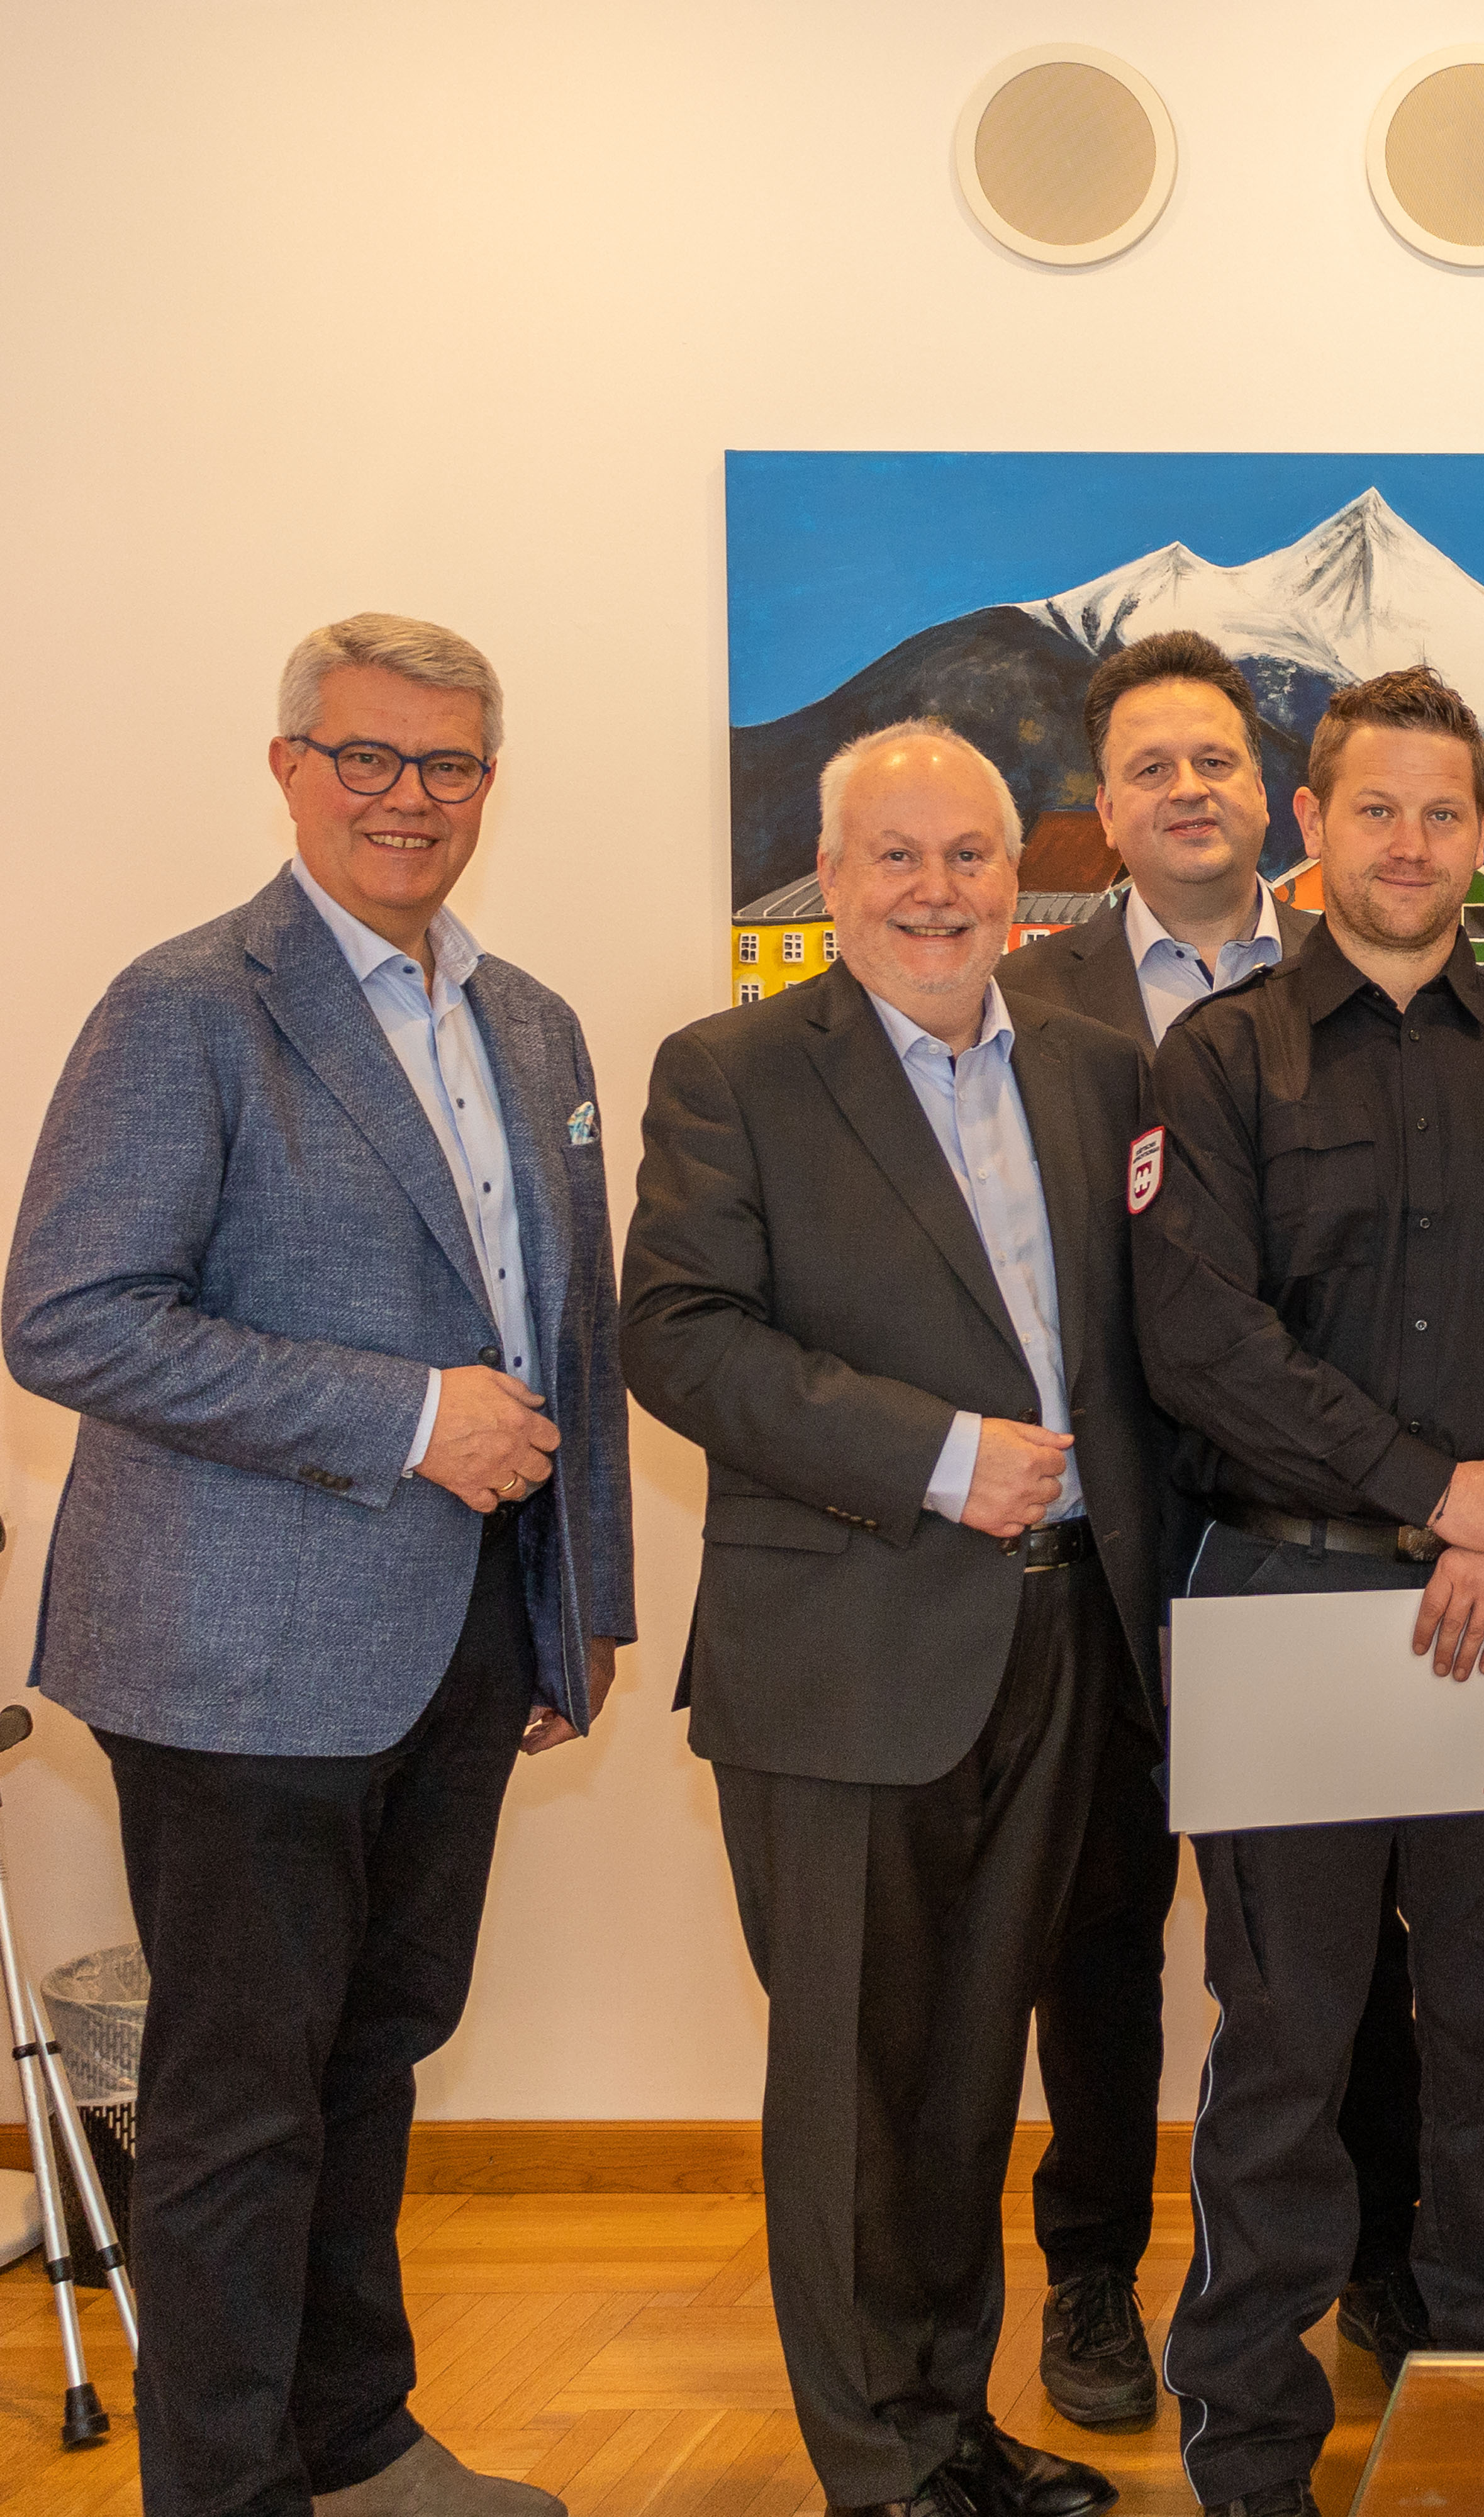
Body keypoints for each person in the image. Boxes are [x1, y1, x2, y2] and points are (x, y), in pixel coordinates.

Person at [3, 613, 633, 2517]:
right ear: (286, 764)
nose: (406, 796)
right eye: (366, 755)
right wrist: (397, 1417)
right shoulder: (189, 1001)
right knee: (235, 2111)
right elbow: (69, 1316)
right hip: (235, 1659)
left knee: (374, 2061)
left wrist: (567, 1610)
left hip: (451, 1642)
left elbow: (569, 1335)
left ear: (487, 790)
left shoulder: (529, 1022)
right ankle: (223, 2488)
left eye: (445, 764)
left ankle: (351, 2439)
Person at [1134, 666, 1484, 2517]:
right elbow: (1197, 1339)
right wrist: (1436, 1490)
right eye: (1374, 808)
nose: (1408, 842)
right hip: (1291, 1603)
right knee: (1282, 2050)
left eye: (1443, 812)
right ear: (1311, 826)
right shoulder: (1215, 1060)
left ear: (1482, 834)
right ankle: (1252, 2452)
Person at [620, 719, 1166, 2517]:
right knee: (855, 2078)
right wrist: (940, 1458)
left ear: (1026, 880)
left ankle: (953, 2428)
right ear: (833, 880)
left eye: (971, 858)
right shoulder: (734, 1073)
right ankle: (881, 2466)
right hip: (848, 1655)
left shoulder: (1093, 1073)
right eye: (898, 858)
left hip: (1059, 1647)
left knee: (965, 2075)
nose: (939, 892)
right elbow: (679, 1337)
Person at [993, 631, 1366, 2426]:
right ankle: (1087, 2276)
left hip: (1317, 1537)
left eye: (1215, 759)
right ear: (1107, 808)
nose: (1188, 791)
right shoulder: (1025, 1001)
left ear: (1271, 792)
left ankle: (1357, 2257)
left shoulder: (1360, 983)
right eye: (1151, 767)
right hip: (1109, 1548)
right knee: (1102, 1934)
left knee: (1325, 1942)